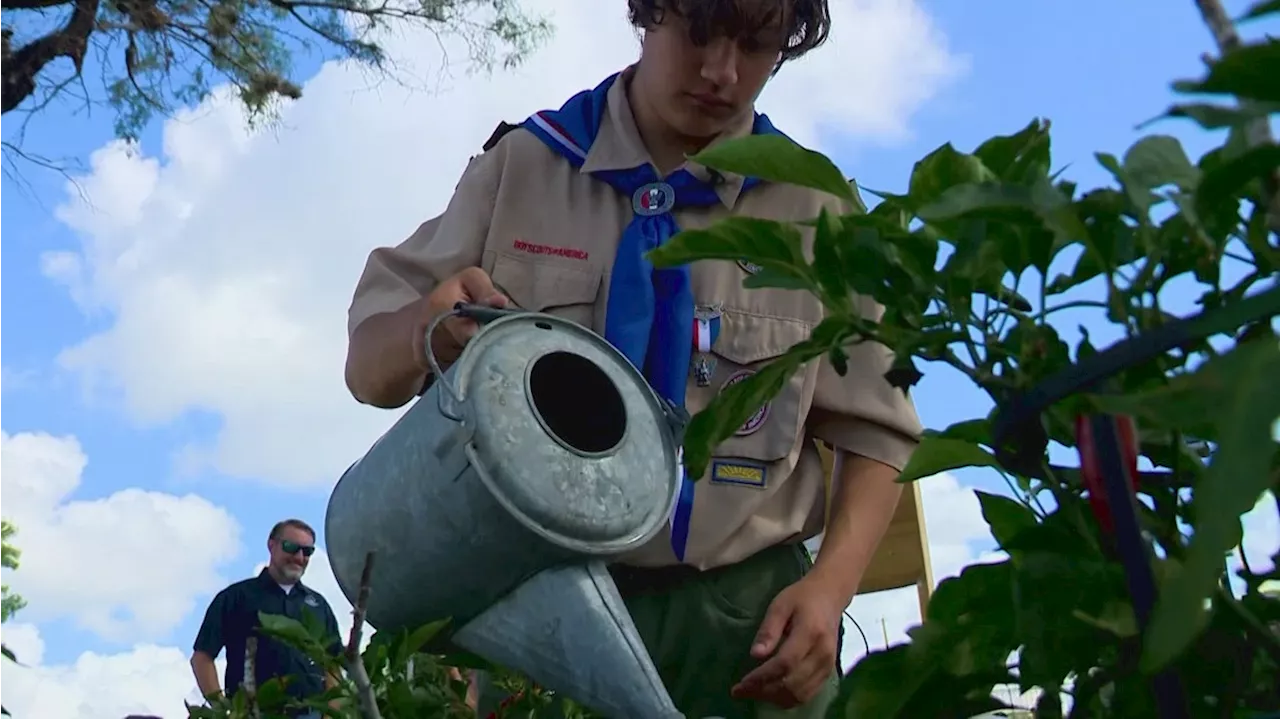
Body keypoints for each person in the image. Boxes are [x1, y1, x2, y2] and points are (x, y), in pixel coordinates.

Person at [342, 0, 923, 716]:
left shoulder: (816, 211)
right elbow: (367, 370)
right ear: (648, 13)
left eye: (756, 45)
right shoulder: (524, 166)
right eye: (700, 33)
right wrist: (419, 330)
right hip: (542, 620)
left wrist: (829, 592)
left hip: (748, 627)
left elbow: (881, 433)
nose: (722, 71)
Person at [190, 519, 344, 718]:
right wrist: (222, 709)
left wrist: (332, 713)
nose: (299, 557)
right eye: (291, 547)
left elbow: (332, 665)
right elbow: (202, 658)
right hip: (254, 712)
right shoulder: (235, 598)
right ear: (271, 545)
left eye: (307, 551)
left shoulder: (318, 605)